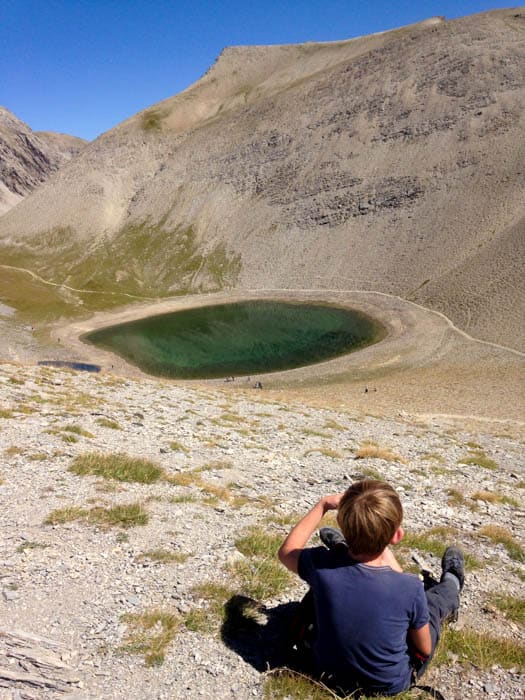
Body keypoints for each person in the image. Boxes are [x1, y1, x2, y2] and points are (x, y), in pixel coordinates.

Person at [278, 479, 464, 697]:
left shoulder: (321, 565)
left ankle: (345, 547)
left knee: (329, 580)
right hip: (389, 685)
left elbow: (286, 552)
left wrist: (323, 504)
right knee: (433, 605)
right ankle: (452, 580)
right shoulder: (410, 587)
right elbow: (424, 648)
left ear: (342, 524)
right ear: (397, 536)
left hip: (325, 672)